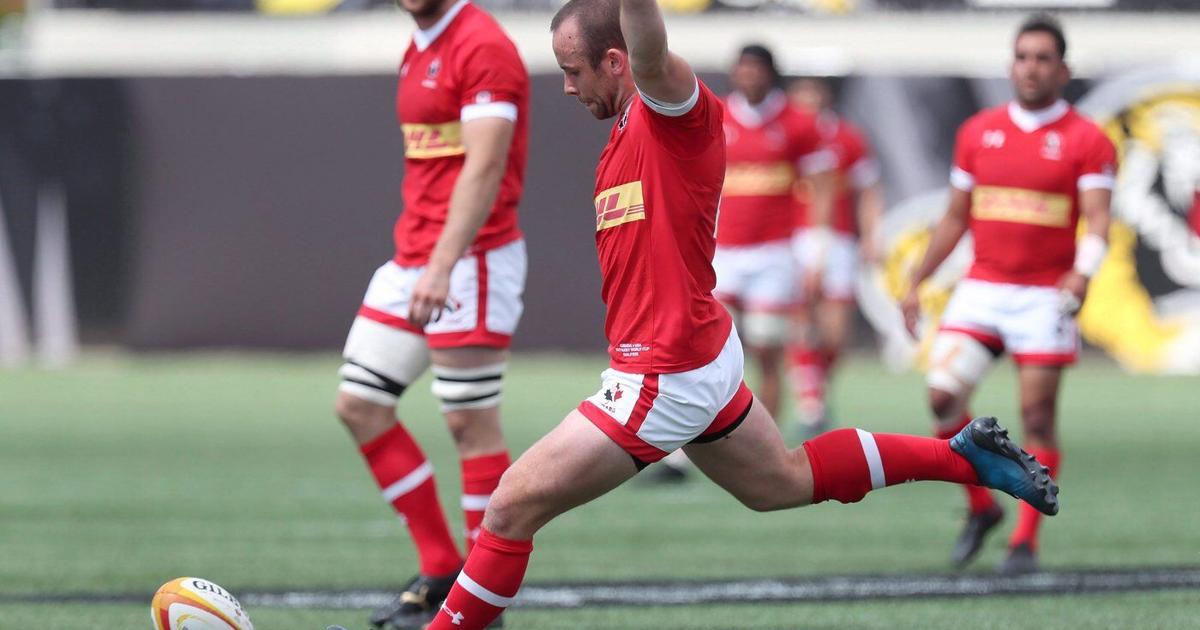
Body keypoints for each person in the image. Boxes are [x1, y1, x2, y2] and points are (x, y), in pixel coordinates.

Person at [425, 3, 1058, 627]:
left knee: (508, 508)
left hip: (665, 370)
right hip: (695, 352)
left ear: (616, 62)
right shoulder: (624, 132)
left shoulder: (670, 111)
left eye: (573, 71)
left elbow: (649, 47)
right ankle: (963, 458)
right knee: (779, 482)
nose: (566, 87)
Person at [332, 0, 529, 626]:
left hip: (471, 257)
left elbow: (486, 165)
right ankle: (442, 568)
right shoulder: (421, 43)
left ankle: (481, 603)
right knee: (360, 405)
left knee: (471, 424)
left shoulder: (481, 44)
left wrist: (443, 265)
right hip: (413, 256)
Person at [901, 14, 1115, 574]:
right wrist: (918, 280)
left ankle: (1025, 543)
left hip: (1044, 297)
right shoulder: (979, 131)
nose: (1031, 67)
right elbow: (955, 217)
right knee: (942, 398)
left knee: (1036, 418)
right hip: (983, 289)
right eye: (1023, 57)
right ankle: (982, 507)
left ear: (1063, 69)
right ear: (1010, 65)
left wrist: (1083, 273)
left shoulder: (1087, 139)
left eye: (1043, 58)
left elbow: (1098, 220)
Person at [715, 46, 835, 423]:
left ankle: (765, 437)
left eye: (756, 69)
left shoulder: (798, 122)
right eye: (743, 68)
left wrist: (817, 249)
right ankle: (699, 442)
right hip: (722, 253)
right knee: (711, 349)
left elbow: (822, 187)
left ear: (770, 73)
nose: (748, 76)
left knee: (767, 348)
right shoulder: (716, 116)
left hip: (774, 253)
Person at [787, 76, 885, 436]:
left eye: (813, 93)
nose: (807, 101)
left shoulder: (846, 137)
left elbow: (869, 189)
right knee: (799, 321)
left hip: (839, 241)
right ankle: (810, 400)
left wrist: (872, 235)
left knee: (835, 333)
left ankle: (816, 382)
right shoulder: (784, 134)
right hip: (794, 239)